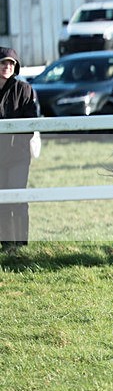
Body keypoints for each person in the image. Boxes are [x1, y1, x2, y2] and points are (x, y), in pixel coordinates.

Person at [0, 47, 39, 253]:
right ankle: (7, 245)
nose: (7, 66)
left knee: (18, 197)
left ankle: (21, 245)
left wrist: (19, 144)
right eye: (3, 62)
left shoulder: (24, 89)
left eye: (11, 63)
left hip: (17, 155)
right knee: (1, 201)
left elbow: (31, 123)